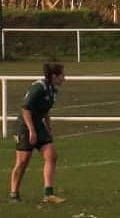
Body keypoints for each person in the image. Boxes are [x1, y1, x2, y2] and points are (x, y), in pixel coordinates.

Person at [9, 63, 66, 204]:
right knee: (23, 161)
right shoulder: (38, 88)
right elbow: (25, 109)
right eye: (62, 75)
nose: (64, 78)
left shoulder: (52, 90)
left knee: (51, 156)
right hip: (24, 126)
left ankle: (49, 194)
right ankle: (14, 194)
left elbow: (45, 110)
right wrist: (32, 131)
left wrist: (48, 126)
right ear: (54, 76)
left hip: (38, 125)